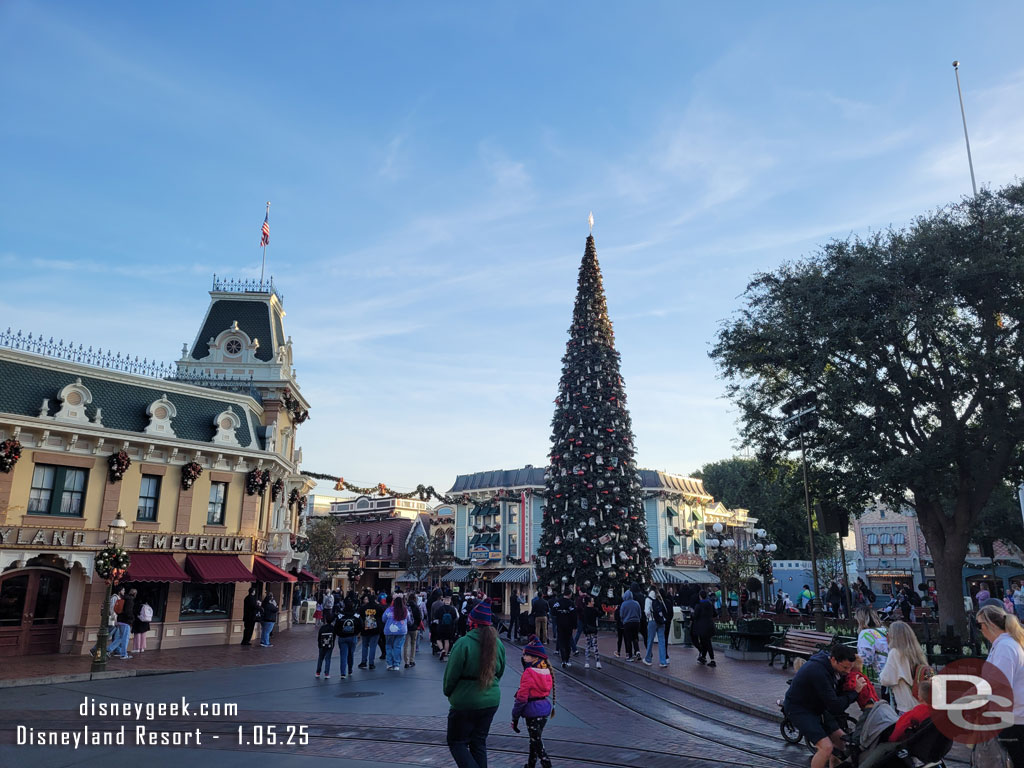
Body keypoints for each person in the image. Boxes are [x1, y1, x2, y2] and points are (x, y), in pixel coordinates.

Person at [443, 600, 506, 768]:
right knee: (478, 743)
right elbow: (500, 671)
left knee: (457, 742)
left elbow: (451, 675)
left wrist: (450, 692)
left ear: (472, 623)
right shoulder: (498, 644)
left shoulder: (463, 643)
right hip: (491, 700)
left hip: (465, 701)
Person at [783, 644, 865, 768]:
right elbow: (835, 706)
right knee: (826, 747)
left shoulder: (832, 668)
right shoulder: (818, 672)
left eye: (850, 668)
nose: (848, 672)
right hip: (799, 709)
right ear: (833, 660)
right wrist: (854, 692)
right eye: (845, 667)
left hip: (817, 707)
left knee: (841, 743)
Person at [978, 604, 1024, 766]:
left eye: (980, 625)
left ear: (989, 625)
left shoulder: (1005, 647)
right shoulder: (1006, 644)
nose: (980, 630)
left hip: (1014, 718)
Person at [511, 635, 555, 768]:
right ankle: (531, 764)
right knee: (534, 739)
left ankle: (546, 763)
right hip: (544, 710)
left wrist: (515, 716)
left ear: (534, 657)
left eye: (526, 655)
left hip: (532, 710)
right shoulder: (547, 671)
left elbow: (522, 697)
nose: (524, 657)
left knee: (536, 741)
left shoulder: (529, 673)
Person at [879, 621, 932, 713]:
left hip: (907, 705)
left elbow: (885, 680)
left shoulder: (895, 653)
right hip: (921, 702)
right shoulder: (916, 652)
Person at [855, 607, 889, 678]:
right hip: (896, 668)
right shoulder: (884, 630)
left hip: (884, 672)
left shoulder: (865, 633)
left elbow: (866, 659)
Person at [333, 597, 361, 679]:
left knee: (343, 655)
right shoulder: (356, 615)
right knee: (351, 654)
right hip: (352, 636)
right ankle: (350, 670)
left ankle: (343, 673)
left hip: (342, 637)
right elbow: (361, 624)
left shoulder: (340, 615)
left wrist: (339, 634)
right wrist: (356, 632)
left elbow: (336, 626)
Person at [550, 588, 577, 669]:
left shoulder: (558, 602)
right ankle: (568, 659)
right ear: (569, 594)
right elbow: (574, 615)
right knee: (568, 642)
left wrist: (559, 614)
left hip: (560, 624)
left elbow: (553, 611)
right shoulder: (571, 603)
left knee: (561, 641)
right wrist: (574, 625)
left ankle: (563, 660)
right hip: (568, 626)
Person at [643, 587, 669, 668]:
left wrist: (648, 616)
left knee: (650, 640)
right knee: (662, 641)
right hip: (661, 621)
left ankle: (648, 659)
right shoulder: (658, 598)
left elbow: (647, 611)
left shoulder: (648, 599)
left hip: (652, 621)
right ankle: (663, 661)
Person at [382, 594, 409, 671]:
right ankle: (396, 664)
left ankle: (389, 664)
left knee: (389, 646)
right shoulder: (405, 610)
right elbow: (409, 619)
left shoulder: (388, 610)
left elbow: (383, 619)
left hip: (389, 631)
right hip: (401, 631)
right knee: (397, 647)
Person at [691, 590, 716, 667]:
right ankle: (703, 657)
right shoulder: (710, 604)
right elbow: (715, 614)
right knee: (705, 642)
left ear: (700, 596)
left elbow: (695, 616)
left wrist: (692, 613)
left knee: (707, 643)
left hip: (702, 627)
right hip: (710, 625)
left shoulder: (699, 605)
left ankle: (712, 660)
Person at [109, 588, 135, 659]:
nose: (124, 591)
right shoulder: (130, 600)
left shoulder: (122, 599)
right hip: (125, 622)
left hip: (120, 620)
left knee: (120, 637)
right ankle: (124, 654)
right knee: (125, 638)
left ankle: (108, 650)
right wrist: (132, 619)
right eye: (123, 590)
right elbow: (128, 612)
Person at [433, 594, 459, 661]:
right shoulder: (453, 609)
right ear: (450, 601)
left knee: (438, 639)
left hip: (441, 626)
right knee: (447, 640)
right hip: (450, 627)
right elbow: (455, 618)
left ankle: (442, 650)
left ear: (444, 601)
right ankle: (446, 655)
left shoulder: (440, 609)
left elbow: (436, 617)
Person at [357, 593, 380, 669]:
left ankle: (363, 662)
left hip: (365, 629)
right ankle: (371, 663)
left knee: (364, 646)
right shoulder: (378, 607)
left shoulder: (363, 608)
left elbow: (359, 617)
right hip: (375, 630)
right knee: (373, 646)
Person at [619, 589, 642, 662]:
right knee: (635, 637)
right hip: (636, 622)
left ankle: (630, 656)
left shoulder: (624, 604)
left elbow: (621, 615)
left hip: (627, 623)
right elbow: (640, 614)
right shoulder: (636, 603)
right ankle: (637, 651)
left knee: (628, 639)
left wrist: (623, 621)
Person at [581, 595, 602, 670]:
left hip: (587, 630)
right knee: (595, 645)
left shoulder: (584, 610)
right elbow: (600, 614)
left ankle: (587, 662)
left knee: (587, 645)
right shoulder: (594, 610)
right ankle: (597, 662)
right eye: (592, 601)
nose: (593, 602)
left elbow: (583, 621)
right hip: (593, 629)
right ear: (589, 602)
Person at [404, 593, 424, 668]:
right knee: (413, 644)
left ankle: (406, 661)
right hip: (414, 627)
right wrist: (416, 624)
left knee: (406, 644)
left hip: (406, 627)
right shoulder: (416, 606)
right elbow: (420, 617)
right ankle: (412, 660)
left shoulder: (405, 606)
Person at [315, 613, 336, 679]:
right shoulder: (333, 628)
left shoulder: (322, 627)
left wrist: (319, 644)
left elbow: (319, 637)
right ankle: (326, 673)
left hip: (322, 645)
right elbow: (334, 637)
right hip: (329, 645)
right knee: (328, 659)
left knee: (320, 658)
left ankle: (318, 672)